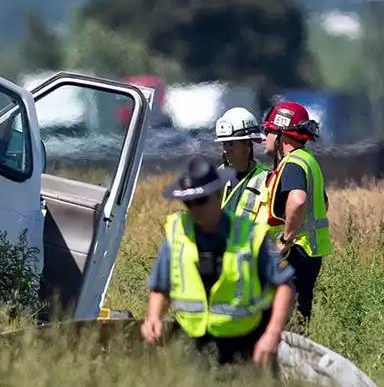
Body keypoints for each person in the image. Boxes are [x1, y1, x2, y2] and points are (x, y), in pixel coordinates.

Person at [141, 156, 296, 371]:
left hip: (245, 345)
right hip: (194, 345)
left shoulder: (250, 234)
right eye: (189, 203)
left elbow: (284, 285)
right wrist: (153, 317)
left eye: (201, 200)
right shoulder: (177, 232)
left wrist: (272, 334)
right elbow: (160, 287)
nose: (195, 208)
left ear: (218, 193)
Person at [259, 101, 331, 325]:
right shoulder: (308, 161)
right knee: (300, 316)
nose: (264, 137)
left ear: (281, 134)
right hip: (309, 252)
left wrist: (286, 238)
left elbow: (298, 201)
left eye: (268, 131)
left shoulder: (292, 164)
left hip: (296, 253)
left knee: (283, 318)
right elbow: (324, 203)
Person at [214, 107, 272, 221]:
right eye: (224, 144)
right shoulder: (217, 176)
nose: (226, 149)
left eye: (231, 144)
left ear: (248, 145)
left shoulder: (266, 179)